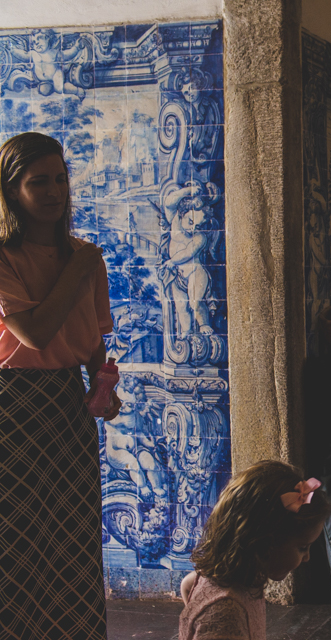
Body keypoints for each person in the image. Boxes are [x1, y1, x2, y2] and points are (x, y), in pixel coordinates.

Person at [0, 132, 120, 639]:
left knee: (72, 534)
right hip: (14, 410)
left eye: (60, 178)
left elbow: (91, 334)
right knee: (19, 538)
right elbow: (36, 331)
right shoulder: (9, 257)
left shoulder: (85, 257)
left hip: (66, 404)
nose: (54, 191)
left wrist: (103, 383)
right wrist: (79, 266)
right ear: (11, 191)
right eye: (37, 182)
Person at [179, 460, 331, 640]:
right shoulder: (226, 613)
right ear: (263, 543)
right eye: (302, 548)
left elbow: (188, 584)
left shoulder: (246, 577)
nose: (307, 557)